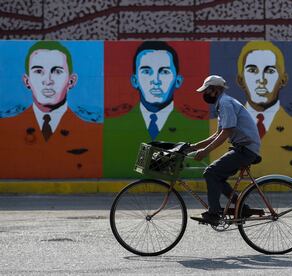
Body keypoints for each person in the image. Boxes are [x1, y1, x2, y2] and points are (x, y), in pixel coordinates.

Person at [103, 41, 208, 178]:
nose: (156, 80)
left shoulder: (199, 122)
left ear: (178, 80)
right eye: (146, 71)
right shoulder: (112, 124)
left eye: (164, 71)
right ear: (135, 80)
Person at [0, 41, 102, 178]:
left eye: (57, 71)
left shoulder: (95, 131)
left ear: (71, 81)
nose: (47, 80)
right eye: (38, 71)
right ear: (27, 81)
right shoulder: (6, 127)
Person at [210, 41, 292, 177]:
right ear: (240, 80)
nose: (261, 80)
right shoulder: (215, 126)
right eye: (252, 70)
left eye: (269, 71)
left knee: (212, 174)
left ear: (283, 79)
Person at [189, 75, 261, 226]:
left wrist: (205, 151)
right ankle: (242, 207)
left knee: (211, 172)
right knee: (217, 177)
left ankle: (213, 214)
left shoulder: (226, 103)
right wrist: (194, 147)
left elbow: (227, 132)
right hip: (243, 148)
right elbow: (218, 134)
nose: (205, 94)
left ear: (217, 90)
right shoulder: (222, 103)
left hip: (245, 149)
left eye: (207, 91)